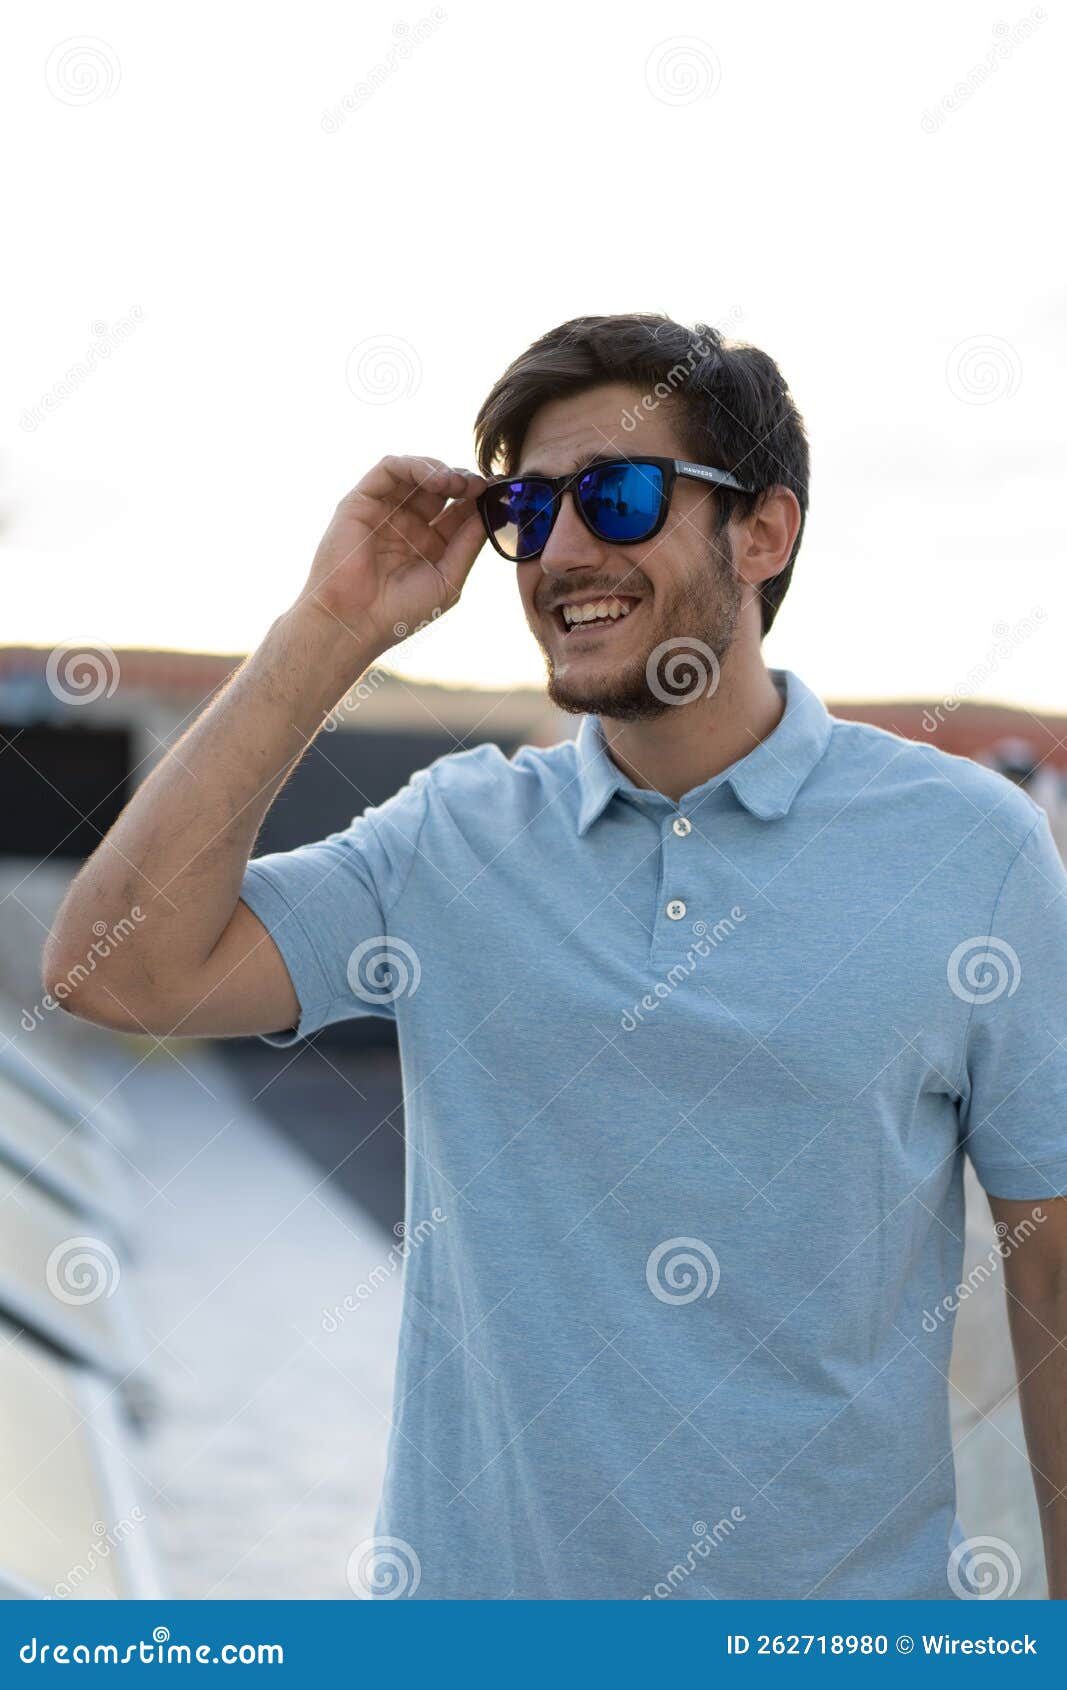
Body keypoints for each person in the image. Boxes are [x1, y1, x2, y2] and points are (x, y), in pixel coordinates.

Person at [46, 313, 1067, 1601]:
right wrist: (331, 626)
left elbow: (1053, 1276)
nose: (564, 549)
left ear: (764, 532)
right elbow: (116, 975)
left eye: (619, 494)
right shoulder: (452, 838)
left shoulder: (970, 851)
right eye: (529, 508)